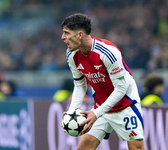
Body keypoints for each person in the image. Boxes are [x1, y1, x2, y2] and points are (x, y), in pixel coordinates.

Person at [61, 13, 145, 150]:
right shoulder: (71, 54)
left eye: (66, 33)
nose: (63, 37)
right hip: (101, 106)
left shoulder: (108, 52)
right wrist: (73, 111)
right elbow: (80, 84)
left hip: (125, 104)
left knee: (136, 147)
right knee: (84, 147)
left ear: (80, 35)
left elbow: (121, 88)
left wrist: (96, 113)